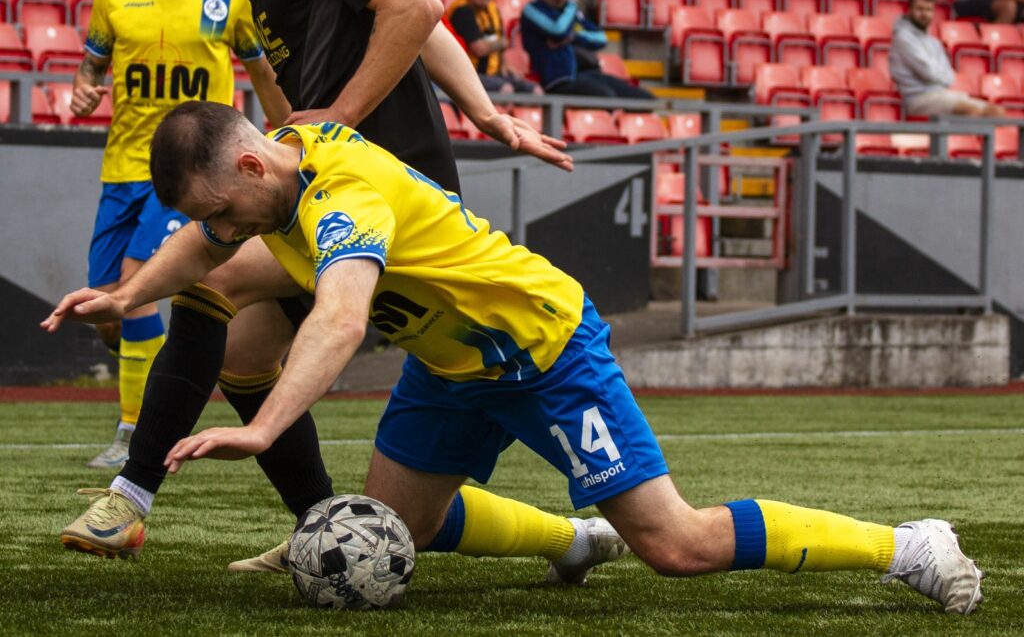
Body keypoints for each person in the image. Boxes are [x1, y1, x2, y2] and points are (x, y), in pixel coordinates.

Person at [44, 100, 985, 615]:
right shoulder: (277, 166)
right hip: (450, 366)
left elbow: (338, 321)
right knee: (397, 526)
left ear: (252, 167)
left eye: (220, 211)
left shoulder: (343, 197)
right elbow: (204, 249)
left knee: (676, 547)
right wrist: (129, 295)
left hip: (540, 348)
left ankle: (908, 545)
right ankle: (571, 538)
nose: (218, 230)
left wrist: (264, 428)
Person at [57, 0, 578, 572]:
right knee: (241, 354)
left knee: (213, 283)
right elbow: (404, 8)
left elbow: (413, 3)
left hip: (385, 192)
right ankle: (329, 527)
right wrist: (487, 112)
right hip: (337, 187)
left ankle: (130, 500)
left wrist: (338, 114)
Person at [70, 0, 290, 469]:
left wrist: (292, 130)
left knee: (136, 286)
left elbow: (264, 74)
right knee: (105, 306)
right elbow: (90, 68)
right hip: (124, 167)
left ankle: (135, 433)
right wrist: (83, 91)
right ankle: (151, 376)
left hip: (195, 174)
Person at [521, 0, 654, 98]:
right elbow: (558, 31)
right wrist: (571, 4)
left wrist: (574, 36)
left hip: (589, 74)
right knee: (607, 96)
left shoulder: (569, 13)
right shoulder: (532, 10)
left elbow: (601, 38)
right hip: (558, 79)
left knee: (644, 97)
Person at [891, 0, 1005, 117]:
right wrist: (938, 75)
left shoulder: (934, 42)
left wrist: (937, 75)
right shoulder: (903, 38)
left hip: (942, 94)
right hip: (918, 98)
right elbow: (927, 72)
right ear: (909, 10)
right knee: (970, 111)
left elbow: (950, 77)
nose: (924, 14)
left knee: (996, 112)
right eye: (920, 9)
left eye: (928, 9)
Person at [447, 0, 541, 94]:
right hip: (467, 75)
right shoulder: (462, 11)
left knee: (535, 90)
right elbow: (479, 49)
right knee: (505, 88)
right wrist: (503, 43)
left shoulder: (492, 9)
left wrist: (505, 65)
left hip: (493, 74)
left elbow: (494, 40)